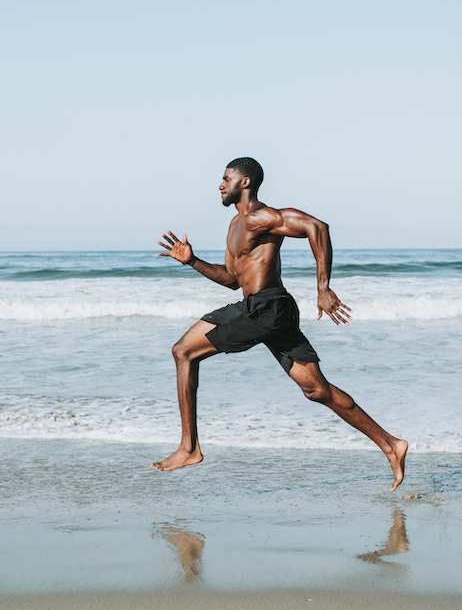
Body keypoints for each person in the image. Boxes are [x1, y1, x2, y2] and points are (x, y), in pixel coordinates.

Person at [154, 157, 407, 492]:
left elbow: (318, 228)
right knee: (316, 389)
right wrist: (193, 261)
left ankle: (189, 448)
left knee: (183, 351)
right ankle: (391, 444)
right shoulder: (235, 226)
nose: (220, 185)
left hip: (267, 307)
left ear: (244, 182)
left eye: (226, 178)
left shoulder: (262, 217)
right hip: (265, 308)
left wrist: (323, 287)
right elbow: (231, 279)